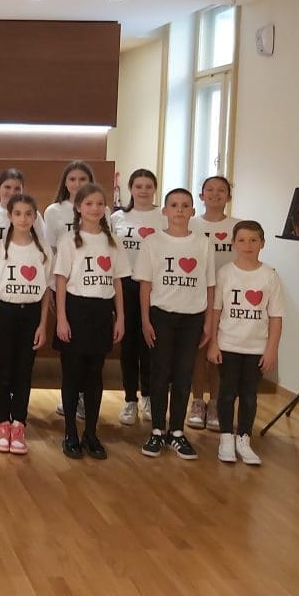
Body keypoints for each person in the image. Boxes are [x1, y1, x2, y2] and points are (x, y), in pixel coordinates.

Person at [135, 188, 216, 460]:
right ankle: (158, 430)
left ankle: (177, 432)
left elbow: (210, 286)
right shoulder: (153, 242)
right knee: (160, 373)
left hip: (192, 317)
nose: (179, 210)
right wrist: (145, 320)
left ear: (193, 211)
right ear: (165, 211)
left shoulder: (203, 244)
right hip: (161, 315)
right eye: (174, 205)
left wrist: (208, 322)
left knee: (184, 375)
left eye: (185, 205)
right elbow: (145, 285)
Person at [53, 183, 129, 460]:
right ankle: (70, 432)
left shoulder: (113, 241)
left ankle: (91, 433)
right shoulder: (69, 240)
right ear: (78, 208)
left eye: (99, 204)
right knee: (72, 375)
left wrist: (120, 317)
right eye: (89, 204)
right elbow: (61, 280)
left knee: (95, 375)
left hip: (101, 312)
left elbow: (117, 282)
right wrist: (61, 318)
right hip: (76, 309)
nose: (95, 209)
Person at [208, 221, 283, 465]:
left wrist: (271, 350)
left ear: (262, 243)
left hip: (256, 349)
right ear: (233, 243)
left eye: (253, 240)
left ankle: (244, 438)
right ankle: (226, 438)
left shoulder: (270, 276)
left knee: (249, 395)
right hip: (228, 345)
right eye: (241, 240)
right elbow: (216, 311)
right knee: (227, 393)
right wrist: (213, 343)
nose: (247, 245)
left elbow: (276, 317)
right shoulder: (225, 273)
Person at [0, 194, 51, 455]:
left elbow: (46, 292)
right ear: (10, 216)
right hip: (4, 313)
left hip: (30, 315)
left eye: (28, 214)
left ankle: (19, 423)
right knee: (2, 370)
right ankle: (2, 422)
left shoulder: (43, 251)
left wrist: (43, 324)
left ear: (35, 217)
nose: (23, 219)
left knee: (24, 370)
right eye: (18, 213)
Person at [0, 167, 48, 410]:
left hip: (27, 293)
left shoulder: (36, 220)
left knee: (22, 362)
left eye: (16, 188)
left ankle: (17, 409)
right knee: (0, 355)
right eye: (7, 187)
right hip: (0, 285)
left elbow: (40, 249)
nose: (11, 191)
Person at [109, 168, 165, 426]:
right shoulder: (117, 217)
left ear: (155, 189)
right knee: (129, 345)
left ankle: (149, 397)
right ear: (130, 189)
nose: (143, 190)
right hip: (125, 286)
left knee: (151, 344)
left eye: (148, 186)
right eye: (138, 186)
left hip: (155, 286)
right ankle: (130, 398)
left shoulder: (163, 217)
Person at [45, 160, 97, 420]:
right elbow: (51, 250)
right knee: (69, 343)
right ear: (65, 182)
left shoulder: (101, 209)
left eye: (82, 179)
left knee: (90, 346)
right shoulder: (54, 211)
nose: (77, 184)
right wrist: (52, 286)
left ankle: (86, 396)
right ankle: (70, 395)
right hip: (63, 283)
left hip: (93, 287)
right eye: (72, 179)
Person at [189, 175, 240, 431]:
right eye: (209, 189)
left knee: (220, 351)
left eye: (221, 190)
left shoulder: (238, 226)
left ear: (228, 196)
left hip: (229, 297)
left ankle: (217, 403)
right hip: (197, 295)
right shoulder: (191, 224)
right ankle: (198, 402)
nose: (215, 194)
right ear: (201, 195)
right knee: (199, 350)